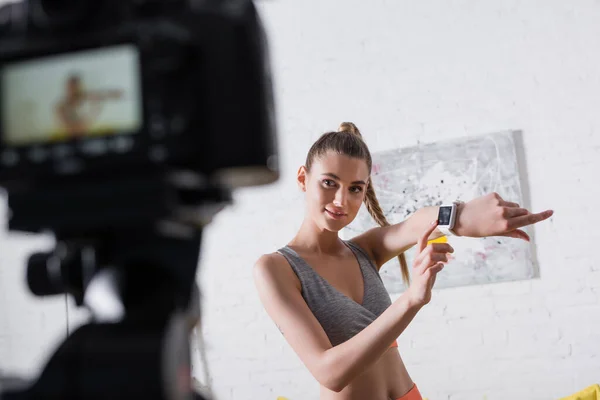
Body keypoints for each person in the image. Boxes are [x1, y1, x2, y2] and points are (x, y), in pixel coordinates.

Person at [253, 122, 553, 400]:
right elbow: (329, 372)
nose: (341, 201)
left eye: (355, 188)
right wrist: (411, 300)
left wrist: (460, 216)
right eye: (329, 183)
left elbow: (414, 224)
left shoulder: (365, 250)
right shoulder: (276, 269)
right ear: (303, 179)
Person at [55, 73, 123, 138]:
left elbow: (113, 94)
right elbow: (75, 131)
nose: (73, 91)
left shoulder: (84, 96)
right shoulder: (61, 107)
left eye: (77, 88)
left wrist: (111, 94)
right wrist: (94, 110)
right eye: (71, 88)